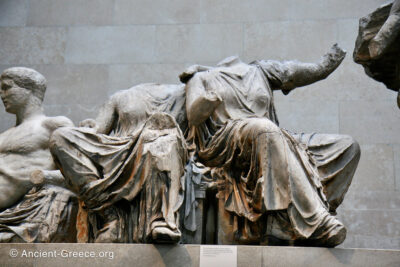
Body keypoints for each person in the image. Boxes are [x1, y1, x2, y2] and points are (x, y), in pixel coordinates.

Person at [182, 44, 361, 247]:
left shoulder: (261, 71)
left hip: (269, 137)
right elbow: (193, 116)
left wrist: (328, 63)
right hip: (225, 144)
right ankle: (316, 221)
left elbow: (304, 71)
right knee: (264, 128)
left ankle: (288, 221)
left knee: (347, 147)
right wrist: (208, 98)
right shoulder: (200, 77)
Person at [50, 83, 188, 243]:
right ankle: (109, 213)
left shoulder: (184, 91)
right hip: (120, 149)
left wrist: (198, 73)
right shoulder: (119, 97)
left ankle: (161, 221)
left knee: (163, 142)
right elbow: (99, 130)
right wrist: (89, 128)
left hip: (160, 146)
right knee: (60, 136)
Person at [0, 67, 78, 242]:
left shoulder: (53, 125)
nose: (1, 94)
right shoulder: (3, 135)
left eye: (7, 87)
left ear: (30, 89)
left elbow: (76, 174)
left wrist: (43, 177)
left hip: (26, 209)